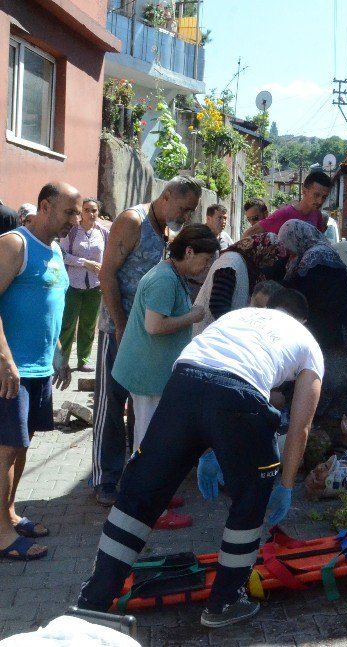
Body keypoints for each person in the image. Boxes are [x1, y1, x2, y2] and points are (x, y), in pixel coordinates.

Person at [77, 292, 323, 628]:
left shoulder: (240, 317)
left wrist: (207, 449)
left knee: (140, 494)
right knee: (251, 494)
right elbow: (300, 428)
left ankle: (92, 601)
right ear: (303, 321)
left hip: (184, 384)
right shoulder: (309, 344)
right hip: (239, 392)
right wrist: (286, 483)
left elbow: (208, 377)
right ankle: (225, 602)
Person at [93, 176, 202, 507]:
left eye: (191, 211)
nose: (186, 216)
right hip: (118, 329)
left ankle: (133, 475)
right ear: (166, 197)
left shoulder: (167, 229)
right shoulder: (132, 220)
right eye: (184, 208)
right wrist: (122, 324)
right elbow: (106, 274)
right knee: (111, 403)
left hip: (146, 335)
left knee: (139, 408)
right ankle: (104, 478)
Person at [111, 225, 218, 530]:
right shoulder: (163, 279)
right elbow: (155, 326)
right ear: (188, 252)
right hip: (147, 375)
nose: (206, 266)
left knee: (150, 441)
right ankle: (146, 509)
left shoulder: (172, 274)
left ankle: (151, 497)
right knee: (147, 444)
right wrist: (192, 317)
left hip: (152, 373)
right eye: (205, 259)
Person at [0, 182, 80, 561]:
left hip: (38, 369)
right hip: (10, 370)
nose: (75, 220)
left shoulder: (54, 250)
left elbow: (48, 305)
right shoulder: (15, 244)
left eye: (78, 213)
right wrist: (4, 359)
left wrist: (59, 352)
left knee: (21, 446)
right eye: (69, 212)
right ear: (45, 207)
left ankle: (9, 513)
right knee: (4, 450)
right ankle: (0, 534)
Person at [278, 220, 347, 419]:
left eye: (287, 242)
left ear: (296, 238)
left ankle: (331, 424)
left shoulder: (315, 258)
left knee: (331, 376)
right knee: (336, 376)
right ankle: (336, 422)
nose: (287, 249)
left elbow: (316, 298)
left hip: (339, 328)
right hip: (342, 324)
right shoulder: (316, 252)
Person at [193, 233, 287, 334]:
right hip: (211, 334)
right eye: (270, 258)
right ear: (263, 251)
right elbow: (218, 305)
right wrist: (236, 331)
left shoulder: (244, 263)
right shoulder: (231, 263)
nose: (269, 263)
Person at [59, 197, 108, 372]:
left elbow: (108, 257)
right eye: (87, 210)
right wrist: (85, 263)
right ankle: (61, 361)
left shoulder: (103, 233)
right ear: (81, 213)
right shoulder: (72, 232)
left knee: (88, 326)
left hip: (94, 286)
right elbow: (62, 255)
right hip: (72, 285)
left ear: (98, 213)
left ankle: (84, 360)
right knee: (67, 324)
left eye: (94, 210)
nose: (91, 213)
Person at [243, 171, 332, 238]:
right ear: (304, 191)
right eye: (316, 195)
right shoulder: (284, 214)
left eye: (324, 197)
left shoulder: (317, 216)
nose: (320, 201)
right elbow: (248, 234)